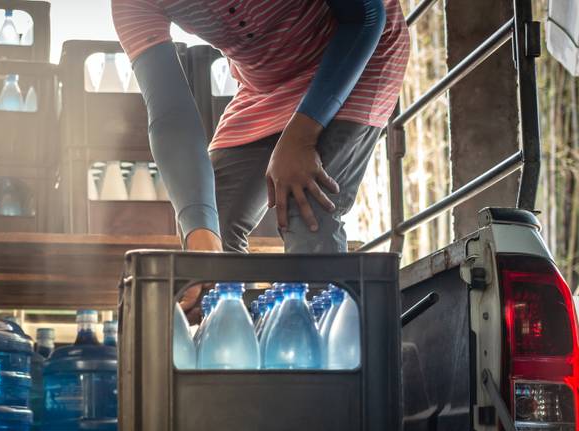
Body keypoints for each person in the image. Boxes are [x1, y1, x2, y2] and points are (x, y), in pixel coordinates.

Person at [113, 0, 410, 259]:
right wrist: (201, 239)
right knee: (212, 215)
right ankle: (229, 319)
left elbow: (364, 15)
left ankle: (315, 319)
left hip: (356, 51)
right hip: (265, 83)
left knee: (306, 202)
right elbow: (171, 115)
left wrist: (301, 136)